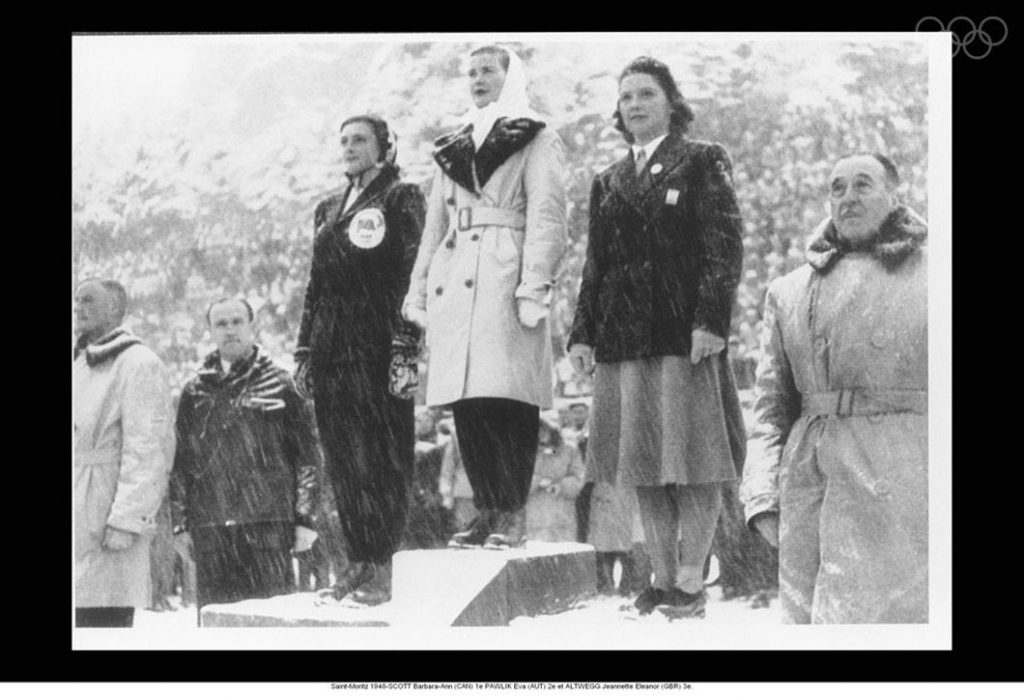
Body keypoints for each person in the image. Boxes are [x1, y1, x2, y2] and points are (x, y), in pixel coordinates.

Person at [567, 57, 746, 618]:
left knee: (696, 463)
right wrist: (583, 333)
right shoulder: (608, 181)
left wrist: (710, 322)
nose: (635, 104)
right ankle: (663, 577)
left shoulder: (700, 161)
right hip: (623, 342)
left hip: (682, 335)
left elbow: (724, 245)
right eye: (626, 98)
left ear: (671, 102)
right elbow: (596, 264)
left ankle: (692, 580)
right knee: (641, 465)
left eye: (646, 94)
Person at [740, 153, 928, 624]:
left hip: (908, 478)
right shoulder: (790, 291)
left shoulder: (934, 277)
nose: (848, 198)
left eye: (863, 185)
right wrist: (762, 495)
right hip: (814, 481)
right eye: (837, 188)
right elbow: (770, 406)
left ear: (894, 195)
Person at [402, 45, 567, 550]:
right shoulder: (452, 145)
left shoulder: (535, 136)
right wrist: (418, 293)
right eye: (470, 71)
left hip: (505, 273)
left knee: (510, 399)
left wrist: (534, 283)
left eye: (487, 70)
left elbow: (548, 213)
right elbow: (434, 227)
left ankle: (512, 510)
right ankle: (488, 506)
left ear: (509, 75)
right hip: (456, 279)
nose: (477, 78)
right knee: (467, 404)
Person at [295, 114, 426, 605]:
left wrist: (405, 344)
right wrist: (305, 349)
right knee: (345, 459)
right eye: (344, 139)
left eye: (360, 140)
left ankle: (387, 564)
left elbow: (413, 273)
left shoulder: (401, 197)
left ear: (384, 147)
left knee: (384, 457)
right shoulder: (328, 208)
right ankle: (359, 559)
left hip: (377, 343)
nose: (349, 147)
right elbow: (315, 284)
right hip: (332, 349)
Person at [171, 298, 320, 615]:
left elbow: (307, 457)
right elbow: (182, 463)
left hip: (268, 525)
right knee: (216, 623)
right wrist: (180, 524)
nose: (230, 330)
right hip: (211, 526)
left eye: (237, 322)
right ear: (210, 331)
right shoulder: (195, 391)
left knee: (268, 622)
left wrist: (305, 519)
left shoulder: (282, 384)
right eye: (221, 324)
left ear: (253, 327)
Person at [73, 278, 175, 628]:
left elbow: (148, 448)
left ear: (116, 309)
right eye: (76, 300)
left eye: (88, 300)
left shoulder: (138, 363)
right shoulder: (79, 363)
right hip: (78, 504)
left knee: (102, 622)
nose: (78, 307)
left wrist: (127, 519)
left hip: (106, 511)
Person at [525, 416, 585, 543]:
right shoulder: (524, 450)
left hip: (562, 513)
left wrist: (561, 486)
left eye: (545, 429)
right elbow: (517, 478)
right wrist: (537, 482)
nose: (542, 433)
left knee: (564, 552)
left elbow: (579, 477)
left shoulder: (569, 450)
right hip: (535, 514)